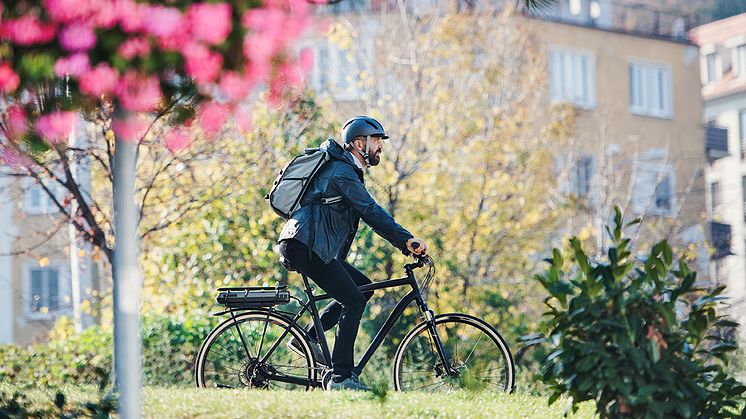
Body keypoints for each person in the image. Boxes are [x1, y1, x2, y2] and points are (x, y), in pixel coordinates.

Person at [278, 115, 428, 391]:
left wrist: (402, 242)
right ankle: (341, 377)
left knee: (363, 287)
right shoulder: (342, 172)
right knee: (353, 300)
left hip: (312, 245)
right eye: (377, 141)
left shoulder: (346, 171)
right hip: (305, 245)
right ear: (359, 143)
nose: (381, 146)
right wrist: (406, 240)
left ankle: (307, 338)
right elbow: (370, 211)